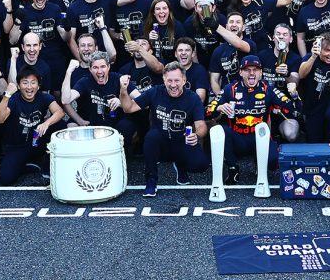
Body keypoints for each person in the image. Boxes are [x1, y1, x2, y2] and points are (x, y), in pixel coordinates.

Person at [120, 62, 209, 197]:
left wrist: (197, 136)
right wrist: (123, 90)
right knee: (151, 137)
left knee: (201, 164)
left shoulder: (193, 98)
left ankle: (181, 165)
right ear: (164, 80)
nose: (173, 85)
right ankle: (151, 181)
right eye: (170, 80)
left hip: (182, 141)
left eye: (177, 80)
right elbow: (129, 108)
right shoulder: (155, 92)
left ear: (184, 80)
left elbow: (201, 125)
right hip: (160, 144)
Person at [206, 55, 296, 185]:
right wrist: (219, 107)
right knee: (220, 130)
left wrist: (293, 94)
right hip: (238, 138)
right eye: (247, 70)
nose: (252, 73)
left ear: (261, 72)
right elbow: (207, 112)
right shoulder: (229, 89)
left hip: (260, 138)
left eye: (256, 69)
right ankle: (233, 168)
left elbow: (291, 109)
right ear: (241, 72)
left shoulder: (268, 89)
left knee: (273, 161)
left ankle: (259, 164)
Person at [0, 69, 65, 185]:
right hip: (16, 146)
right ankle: (25, 166)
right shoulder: (13, 99)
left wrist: (46, 123)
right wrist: (7, 95)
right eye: (25, 83)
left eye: (33, 82)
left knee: (60, 125)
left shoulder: (43, 97)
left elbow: (60, 112)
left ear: (38, 85)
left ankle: (47, 165)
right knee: (5, 179)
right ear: (18, 85)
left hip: (36, 141)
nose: (29, 87)